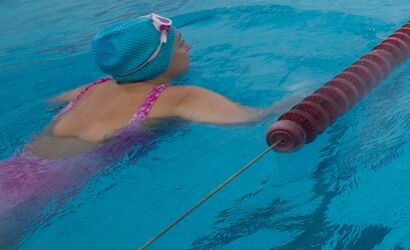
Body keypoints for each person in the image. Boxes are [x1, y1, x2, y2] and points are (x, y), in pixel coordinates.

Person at [1, 14, 267, 217]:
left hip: (12, 168)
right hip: (42, 191)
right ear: (159, 61)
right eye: (179, 44)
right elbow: (250, 118)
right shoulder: (180, 97)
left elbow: (47, 104)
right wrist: (289, 102)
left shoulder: (91, 89)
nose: (189, 46)